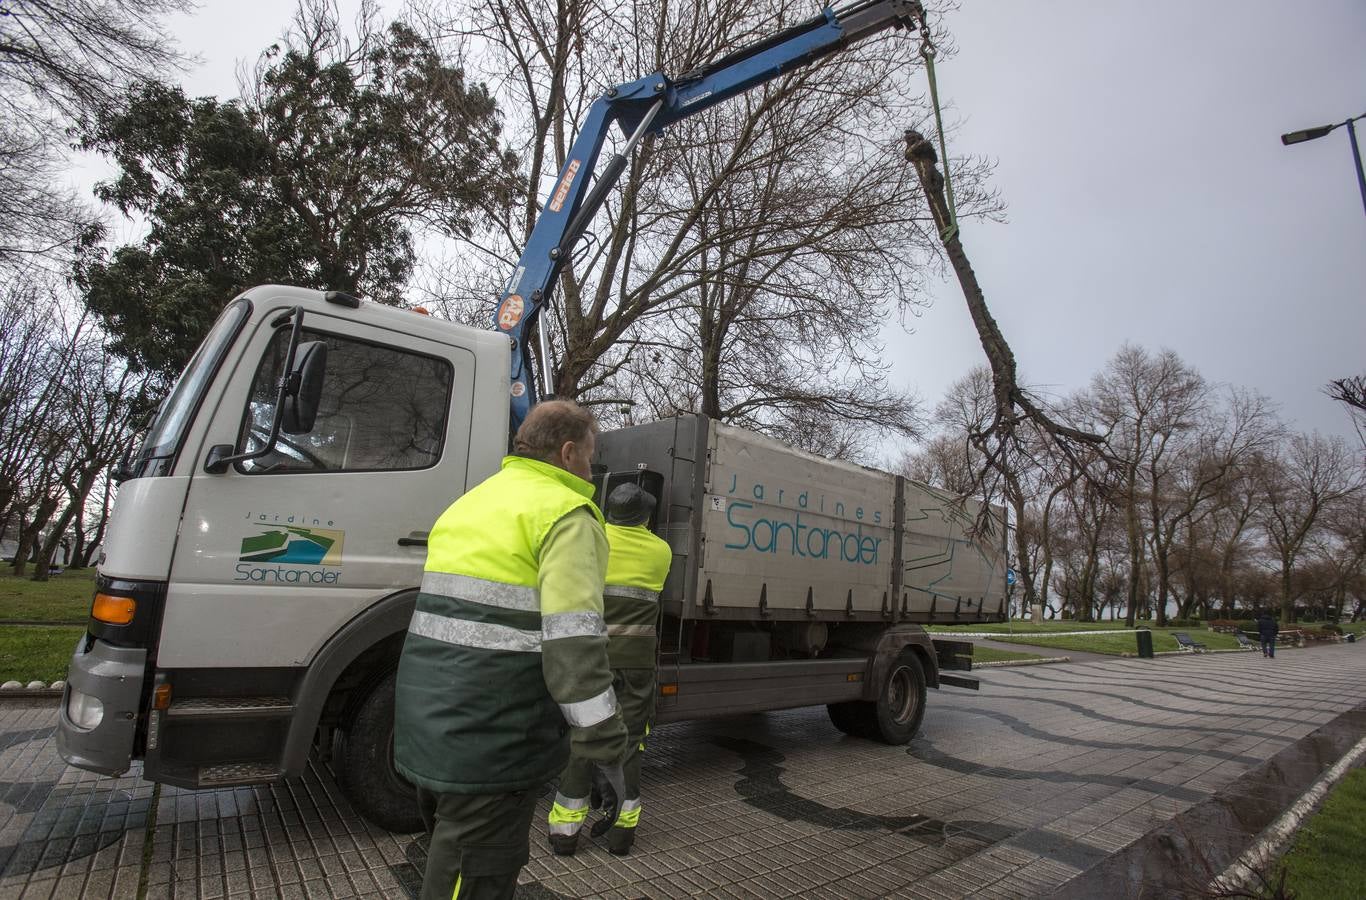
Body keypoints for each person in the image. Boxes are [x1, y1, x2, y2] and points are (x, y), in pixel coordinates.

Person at [394, 399, 628, 900]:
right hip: (494, 732)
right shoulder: (567, 513)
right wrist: (604, 737)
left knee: (450, 848)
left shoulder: (471, 501)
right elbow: (574, 640)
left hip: (428, 715)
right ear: (568, 453)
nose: (591, 468)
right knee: (475, 871)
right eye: (591, 456)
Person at [547, 482, 672, 857]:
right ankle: (621, 835)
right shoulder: (661, 551)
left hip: (593, 659)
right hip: (636, 663)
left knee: (585, 737)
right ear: (646, 517)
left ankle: (565, 835)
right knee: (629, 743)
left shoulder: (594, 541)